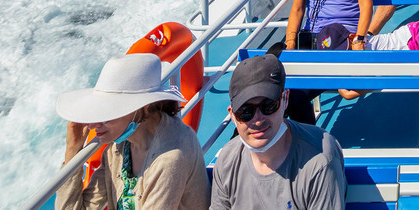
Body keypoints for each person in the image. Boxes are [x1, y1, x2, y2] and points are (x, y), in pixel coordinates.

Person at [56, 54, 210, 210]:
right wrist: (72, 150)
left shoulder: (171, 157)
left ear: (143, 106)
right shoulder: (119, 148)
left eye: (107, 114)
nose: (93, 126)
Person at [209, 53, 346, 210]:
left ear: (285, 99)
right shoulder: (227, 159)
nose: (258, 120)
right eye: (245, 111)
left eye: (268, 105)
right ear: (233, 115)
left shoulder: (319, 159)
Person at [314, 20, 419, 99]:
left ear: (352, 38)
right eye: (338, 57)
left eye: (345, 50)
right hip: (413, 59)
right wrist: (378, 84)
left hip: (416, 35)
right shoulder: (345, 65)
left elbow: (351, 88)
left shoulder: (361, 47)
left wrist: (374, 83)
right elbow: (346, 94)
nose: (344, 57)